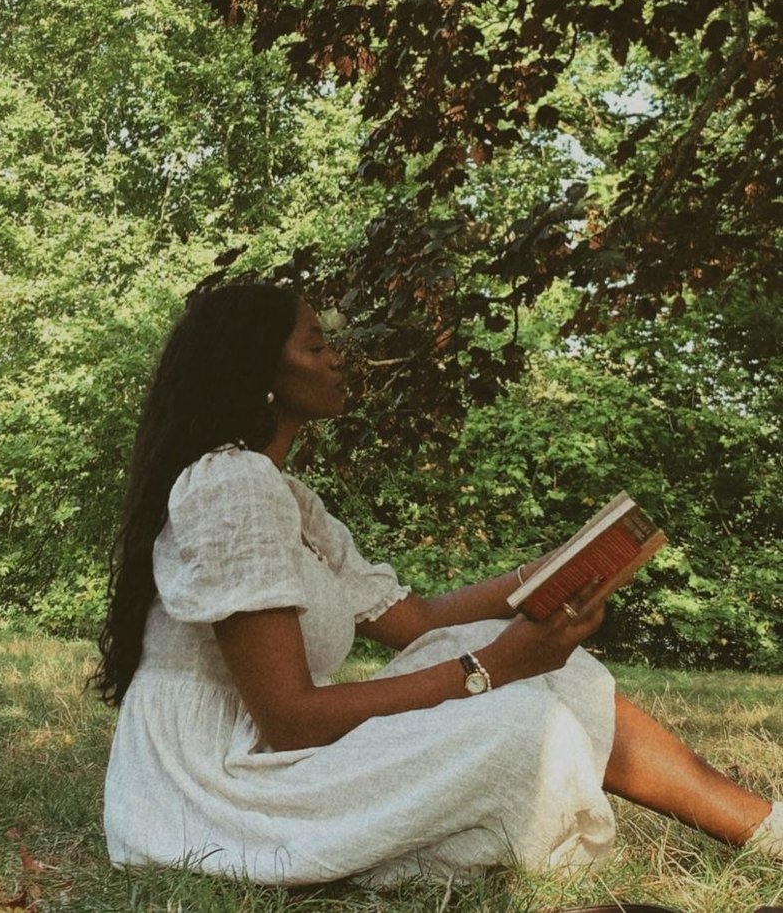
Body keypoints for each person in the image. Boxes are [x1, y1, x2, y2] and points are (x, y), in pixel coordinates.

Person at [97, 283, 782, 887]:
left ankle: (768, 830)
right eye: (314, 345)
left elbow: (416, 622)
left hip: (269, 756)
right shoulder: (232, 485)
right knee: (527, 725)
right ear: (259, 372)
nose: (338, 358)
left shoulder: (287, 497)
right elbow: (289, 720)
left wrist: (550, 571)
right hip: (214, 790)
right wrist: (491, 668)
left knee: (534, 671)